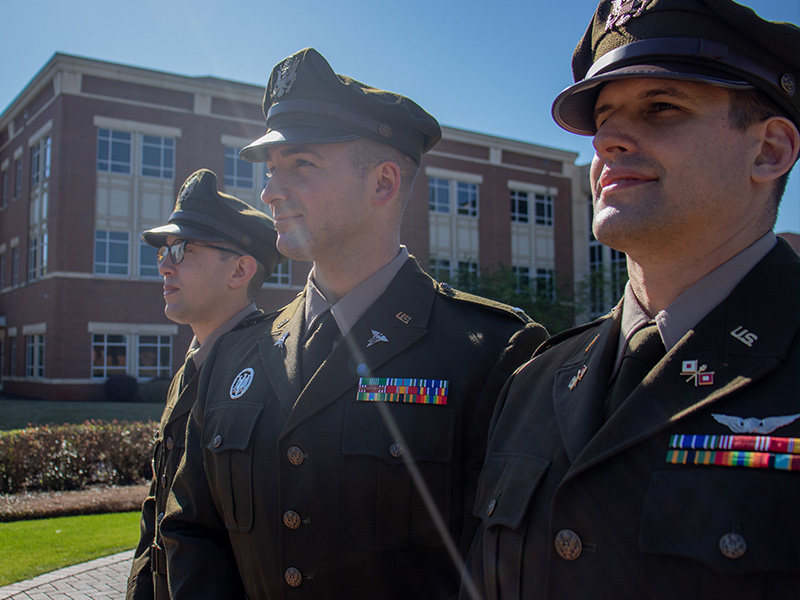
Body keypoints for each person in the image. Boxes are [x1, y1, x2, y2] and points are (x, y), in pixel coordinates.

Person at [159, 48, 548, 599]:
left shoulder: (493, 351)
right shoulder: (234, 355)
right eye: (272, 171)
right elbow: (192, 532)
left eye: (301, 165)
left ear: (383, 183)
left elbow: (506, 564)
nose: (269, 191)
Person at [463, 0, 800, 598]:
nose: (610, 141)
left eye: (662, 107)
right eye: (604, 118)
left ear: (769, 150)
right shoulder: (535, 381)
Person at [126, 168, 284, 600]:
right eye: (162, 252)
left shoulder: (276, 375)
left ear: (239, 270)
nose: (163, 265)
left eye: (181, 249)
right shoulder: (191, 369)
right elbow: (158, 515)